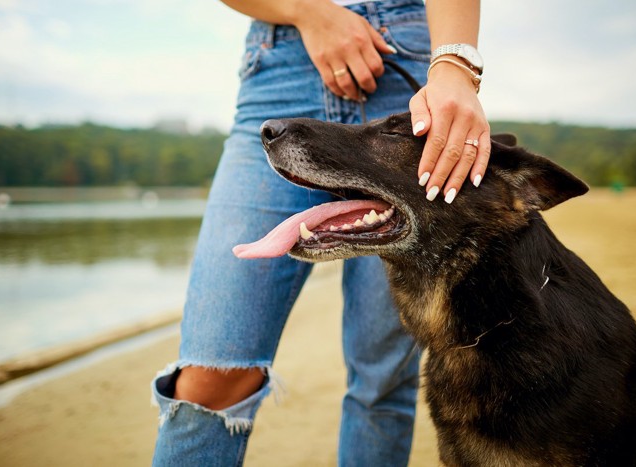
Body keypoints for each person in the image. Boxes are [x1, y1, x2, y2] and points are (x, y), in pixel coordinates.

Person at [151, 0, 489, 465]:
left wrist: (455, 63)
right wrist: (307, 12)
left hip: (404, 75)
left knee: (383, 384)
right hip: (280, 71)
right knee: (211, 373)